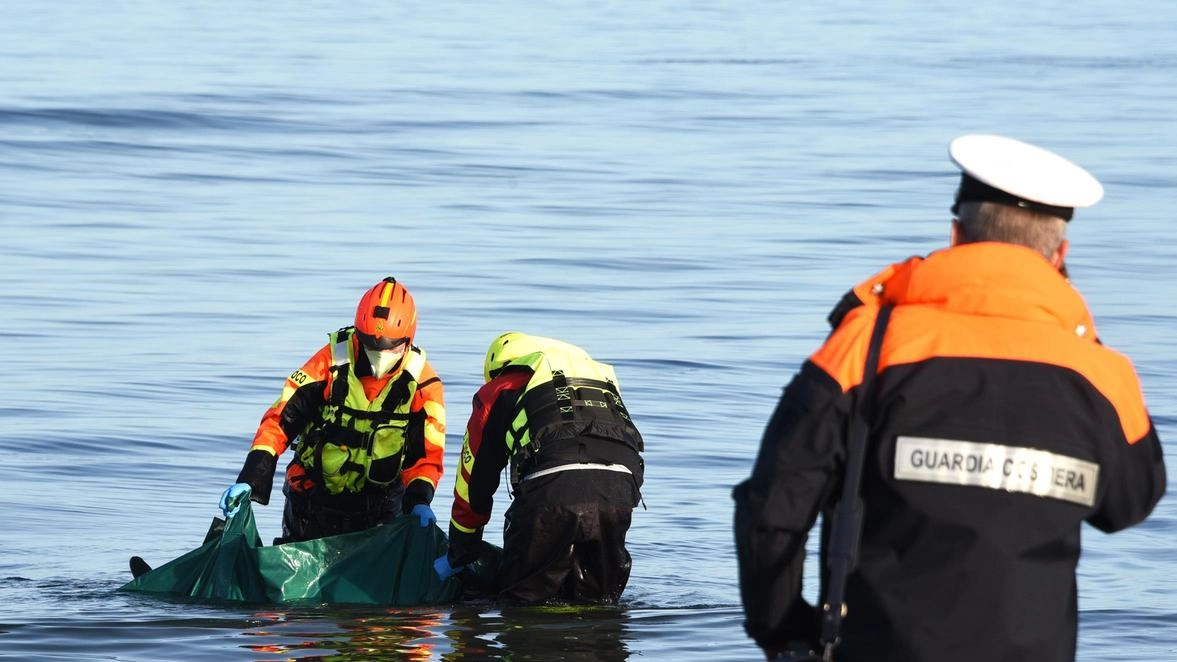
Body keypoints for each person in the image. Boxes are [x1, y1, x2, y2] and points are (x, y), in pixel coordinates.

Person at [733, 135, 1166, 662]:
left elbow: (772, 510)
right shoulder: (1103, 375)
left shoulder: (865, 347)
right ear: (1061, 254)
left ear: (957, 232)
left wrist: (781, 631)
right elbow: (1129, 504)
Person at [220, 276, 446, 543]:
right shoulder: (331, 360)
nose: (379, 355)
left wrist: (420, 500)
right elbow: (280, 421)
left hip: (379, 507)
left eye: (390, 347)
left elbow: (426, 457)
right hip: (311, 499)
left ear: (408, 341)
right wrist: (252, 477)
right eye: (370, 346)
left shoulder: (423, 384)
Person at [433, 333, 645, 604]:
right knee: (598, 604)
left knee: (524, 603)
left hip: (552, 488)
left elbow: (474, 480)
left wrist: (462, 550)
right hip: (618, 490)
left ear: (499, 367)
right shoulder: (598, 383)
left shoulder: (499, 389)